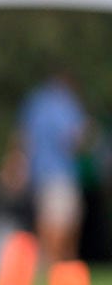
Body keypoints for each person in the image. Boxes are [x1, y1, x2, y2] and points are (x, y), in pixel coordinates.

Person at [15, 71, 89, 264]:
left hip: (39, 174)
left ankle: (50, 266)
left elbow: (23, 138)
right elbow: (74, 140)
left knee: (46, 224)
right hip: (61, 173)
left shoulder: (35, 102)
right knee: (64, 226)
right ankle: (58, 269)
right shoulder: (65, 104)